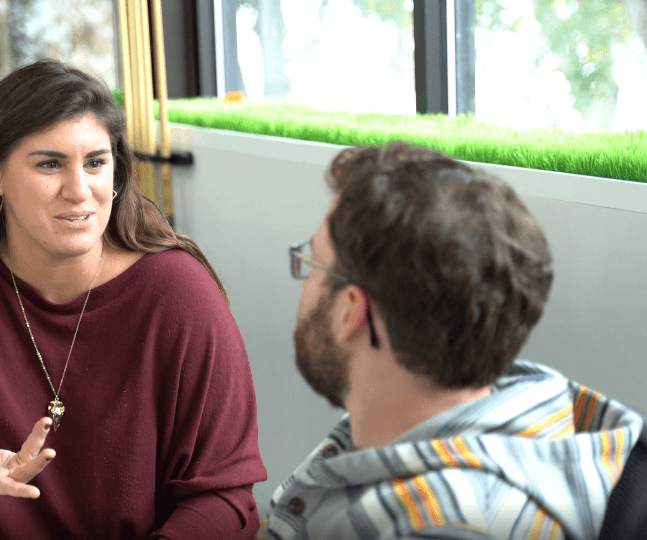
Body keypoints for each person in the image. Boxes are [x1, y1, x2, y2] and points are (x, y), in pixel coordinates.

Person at [0, 59, 267, 539]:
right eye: (50, 164)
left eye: (95, 163)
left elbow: (227, 500)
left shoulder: (180, 295)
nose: (79, 191)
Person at [259, 141, 643, 539]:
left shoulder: (452, 526)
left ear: (350, 310)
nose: (303, 284)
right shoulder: (391, 427)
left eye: (311, 265)